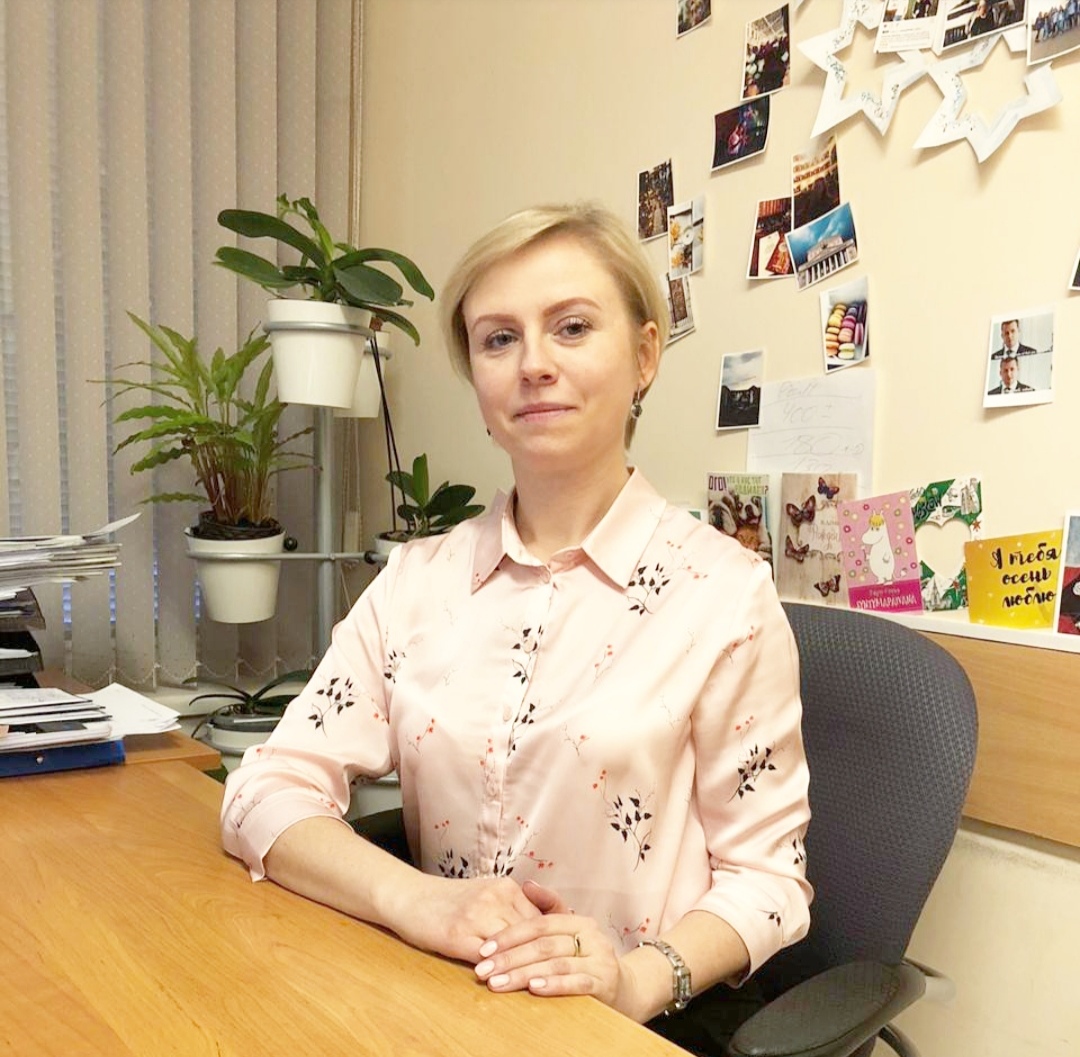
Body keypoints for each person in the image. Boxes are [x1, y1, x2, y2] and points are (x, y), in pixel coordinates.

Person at [220, 203, 811, 1054]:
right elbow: (264, 790)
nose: (534, 364)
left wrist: (634, 979)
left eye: (571, 327)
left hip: (633, 1025)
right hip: (441, 1007)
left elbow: (769, 881)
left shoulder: (723, 595)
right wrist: (418, 899)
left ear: (645, 356)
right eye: (498, 339)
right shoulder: (417, 582)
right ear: (479, 385)